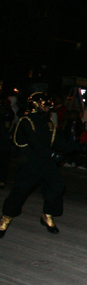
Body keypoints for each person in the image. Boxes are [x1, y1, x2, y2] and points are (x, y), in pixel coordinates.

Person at [1, 94, 68, 237]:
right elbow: (34, 143)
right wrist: (52, 154)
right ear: (36, 104)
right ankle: (6, 217)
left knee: (57, 186)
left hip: (46, 162)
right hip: (30, 162)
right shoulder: (27, 120)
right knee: (20, 191)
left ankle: (47, 214)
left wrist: (75, 147)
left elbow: (55, 140)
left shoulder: (48, 121)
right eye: (45, 104)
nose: (48, 107)